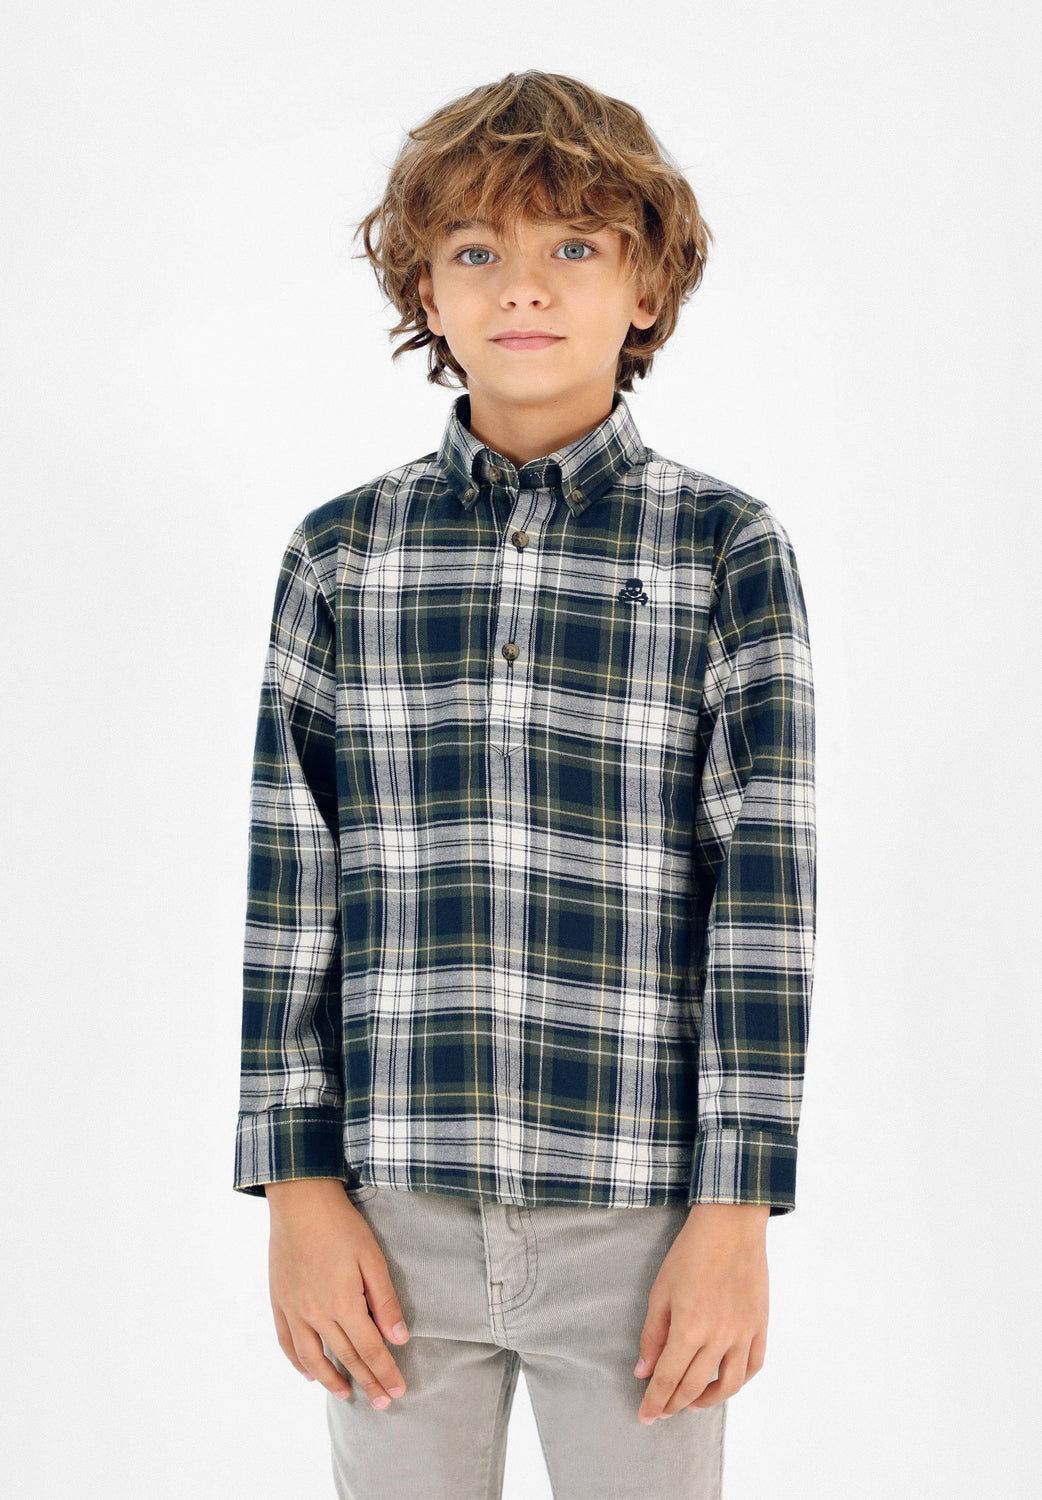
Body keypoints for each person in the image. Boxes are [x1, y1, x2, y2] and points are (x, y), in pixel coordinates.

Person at [233, 69, 817, 1500]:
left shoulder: (723, 551)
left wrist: (735, 1211)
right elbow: (291, 882)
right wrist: (297, 1187)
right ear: (425, 292)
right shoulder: (342, 554)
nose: (524, 285)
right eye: (476, 249)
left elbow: (763, 892)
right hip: (390, 1219)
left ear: (645, 285)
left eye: (574, 245)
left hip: (641, 1221)